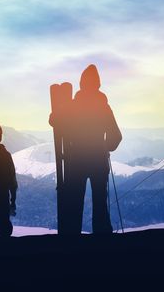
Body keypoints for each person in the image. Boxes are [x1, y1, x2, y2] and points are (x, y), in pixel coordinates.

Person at [50, 64, 122, 234]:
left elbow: (53, 120)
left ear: (81, 84)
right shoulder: (103, 107)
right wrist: (106, 147)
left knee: (75, 200)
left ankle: (73, 236)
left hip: (76, 160)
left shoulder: (73, 106)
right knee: (100, 201)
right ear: (98, 84)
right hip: (98, 159)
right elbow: (116, 136)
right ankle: (102, 235)